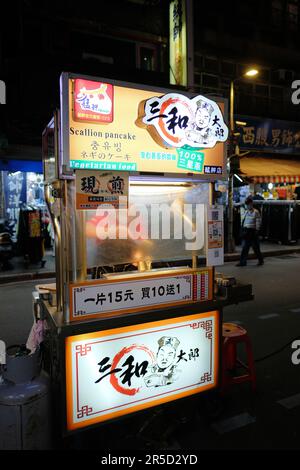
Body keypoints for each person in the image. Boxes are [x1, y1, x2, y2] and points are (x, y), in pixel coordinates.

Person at [236, 196, 264, 266]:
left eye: (249, 204)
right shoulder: (245, 212)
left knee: (256, 248)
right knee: (245, 248)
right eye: (247, 204)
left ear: (251, 204)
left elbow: (258, 222)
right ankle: (243, 262)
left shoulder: (256, 212)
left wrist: (257, 230)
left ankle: (261, 260)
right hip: (246, 232)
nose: (248, 206)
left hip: (253, 232)